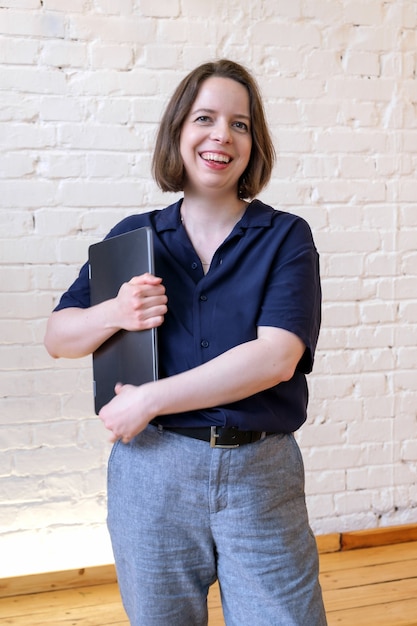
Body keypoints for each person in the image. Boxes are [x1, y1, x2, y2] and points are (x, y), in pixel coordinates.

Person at [44, 59, 327, 626]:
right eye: (205, 117)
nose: (222, 134)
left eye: (240, 124)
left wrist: (149, 399)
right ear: (179, 132)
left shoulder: (286, 237)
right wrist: (114, 311)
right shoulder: (133, 237)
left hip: (260, 473)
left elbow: (276, 358)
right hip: (151, 473)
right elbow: (59, 337)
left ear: (254, 143)